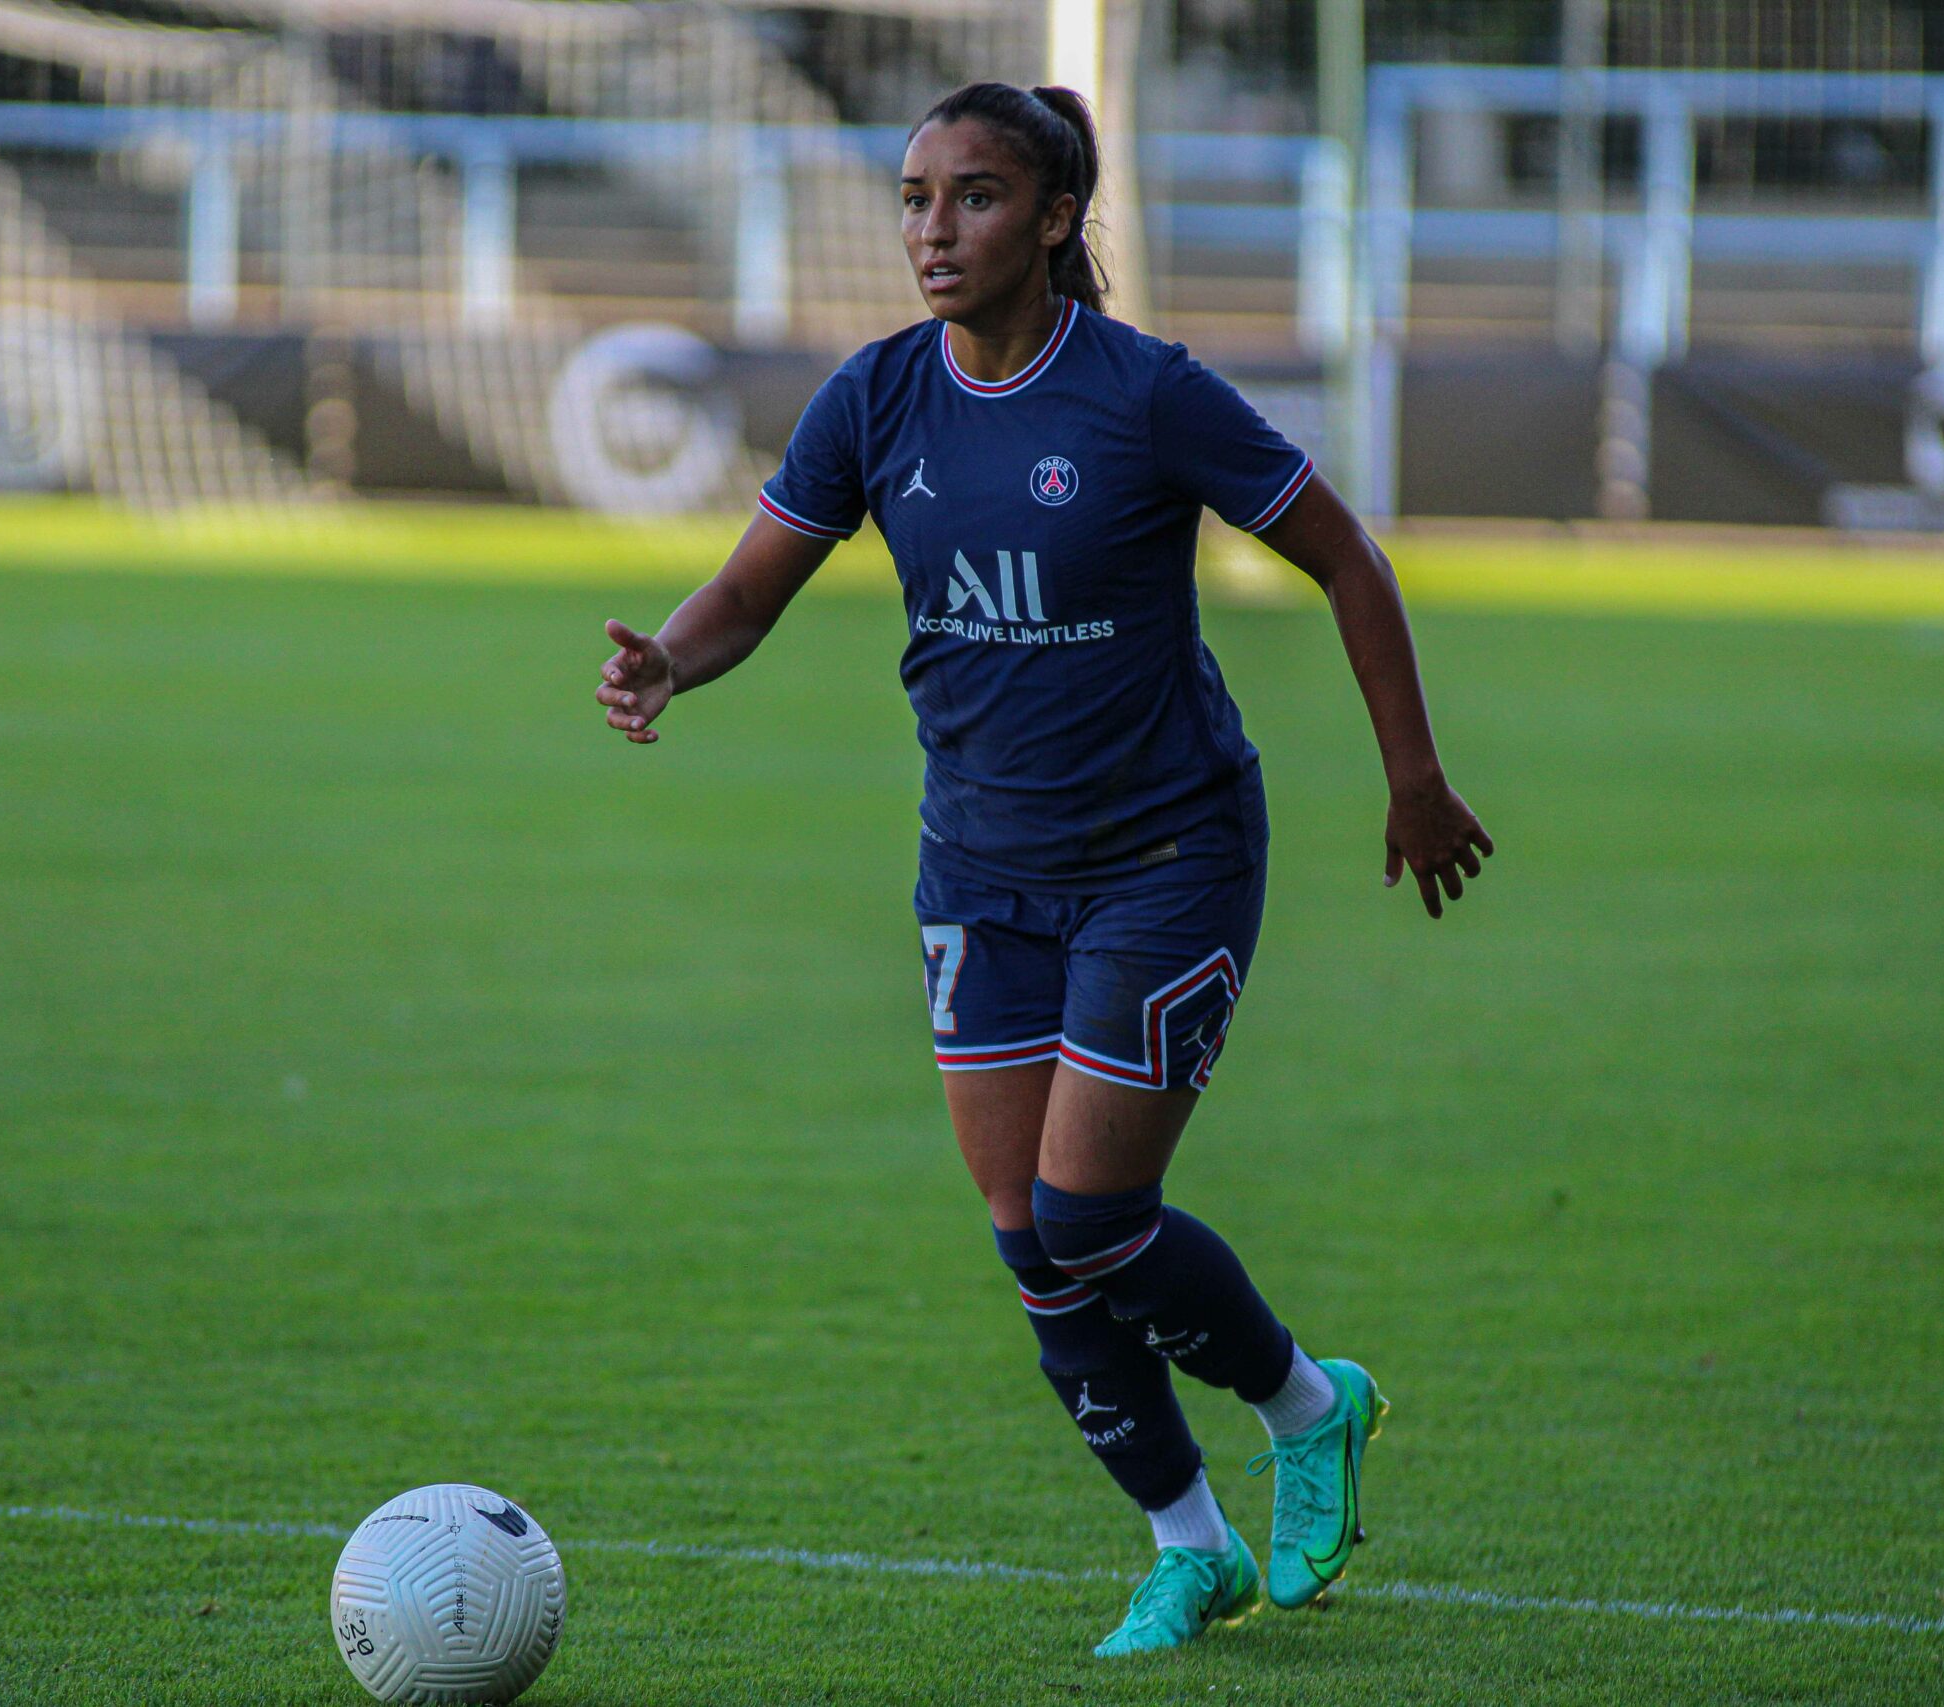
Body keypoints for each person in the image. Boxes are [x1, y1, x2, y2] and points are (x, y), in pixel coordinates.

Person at [594, 81, 1492, 1656]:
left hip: (1167, 858)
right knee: (1027, 1233)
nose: (936, 230)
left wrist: (1413, 779)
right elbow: (748, 591)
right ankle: (1187, 1546)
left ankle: (1304, 1404)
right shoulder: (874, 399)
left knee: (1091, 1211)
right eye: (916, 199)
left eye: (977, 196)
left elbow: (1346, 555)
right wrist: (669, 659)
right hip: (978, 873)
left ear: (1058, 217)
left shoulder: (1146, 396)